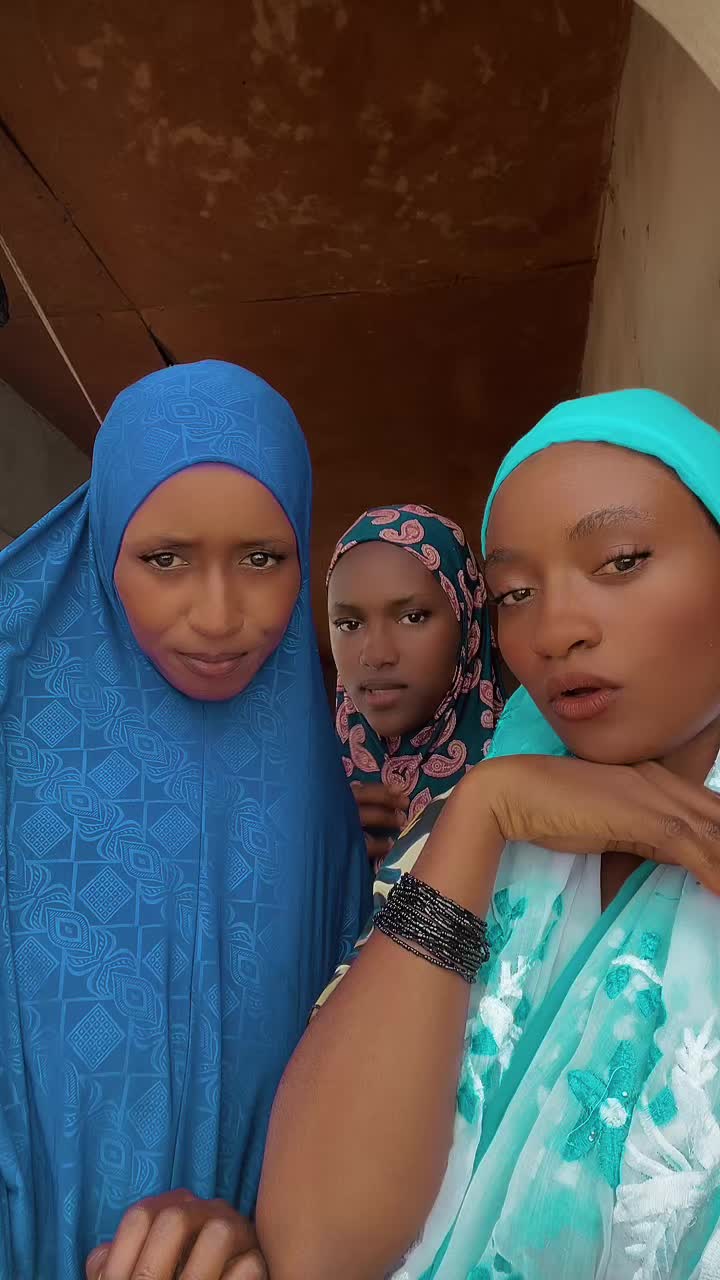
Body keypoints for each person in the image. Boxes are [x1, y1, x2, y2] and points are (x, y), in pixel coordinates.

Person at [256, 388, 720, 1280]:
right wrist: (483, 811)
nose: (555, 632)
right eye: (516, 594)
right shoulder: (482, 832)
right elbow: (318, 1246)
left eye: (620, 561)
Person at [0, 359, 369, 1279]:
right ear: (103, 549)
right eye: (165, 559)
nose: (217, 616)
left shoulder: (309, 786)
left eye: (262, 558)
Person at [328, 505, 503, 863]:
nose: (375, 655)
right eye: (349, 624)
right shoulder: (295, 791)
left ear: (467, 623)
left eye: (412, 617)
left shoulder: (526, 782)